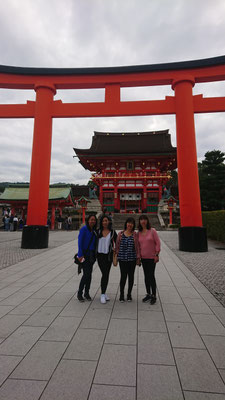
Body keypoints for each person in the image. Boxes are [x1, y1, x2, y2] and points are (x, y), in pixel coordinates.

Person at [115, 217, 140, 302]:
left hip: (132, 259)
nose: (130, 224)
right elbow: (117, 246)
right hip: (122, 259)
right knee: (123, 277)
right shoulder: (120, 234)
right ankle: (121, 294)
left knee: (131, 277)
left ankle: (129, 294)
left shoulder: (135, 234)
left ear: (133, 225)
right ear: (126, 223)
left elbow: (137, 247)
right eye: (129, 223)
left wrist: (138, 257)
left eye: (132, 223)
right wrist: (116, 255)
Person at [138, 214, 161, 305]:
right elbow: (138, 246)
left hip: (152, 257)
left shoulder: (152, 231)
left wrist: (157, 254)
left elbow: (158, 243)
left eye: (144, 219)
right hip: (143, 258)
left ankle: (154, 295)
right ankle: (148, 293)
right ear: (139, 222)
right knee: (146, 276)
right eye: (141, 220)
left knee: (151, 276)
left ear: (147, 221)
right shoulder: (138, 233)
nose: (143, 221)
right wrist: (138, 257)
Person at [97, 215, 117, 304]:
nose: (105, 222)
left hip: (108, 256)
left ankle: (103, 293)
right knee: (104, 274)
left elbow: (117, 242)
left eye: (106, 221)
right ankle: (102, 294)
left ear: (109, 222)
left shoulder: (112, 232)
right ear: (101, 222)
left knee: (106, 274)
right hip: (100, 256)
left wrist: (116, 250)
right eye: (103, 221)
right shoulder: (98, 231)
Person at [77, 214, 97, 302]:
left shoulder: (94, 230)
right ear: (88, 220)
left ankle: (87, 293)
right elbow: (80, 242)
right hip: (84, 254)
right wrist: (80, 254)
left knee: (89, 274)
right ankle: (79, 293)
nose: (93, 221)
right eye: (91, 219)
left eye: (94, 220)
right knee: (86, 274)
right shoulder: (84, 229)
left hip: (92, 255)